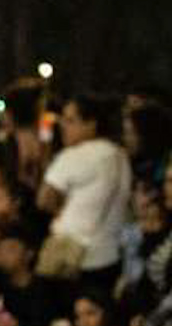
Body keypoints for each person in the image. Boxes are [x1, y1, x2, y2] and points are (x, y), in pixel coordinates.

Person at [40, 93, 133, 291]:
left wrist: (60, 211)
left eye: (71, 120)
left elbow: (44, 199)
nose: (62, 126)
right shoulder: (120, 155)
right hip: (110, 254)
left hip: (73, 256)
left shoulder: (73, 156)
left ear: (92, 124)